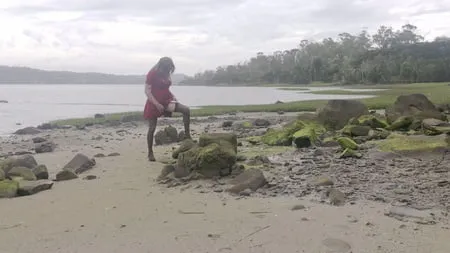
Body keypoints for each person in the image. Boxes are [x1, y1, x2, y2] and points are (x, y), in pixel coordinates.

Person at [144, 57, 191, 162]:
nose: (168, 71)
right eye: (167, 69)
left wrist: (173, 96)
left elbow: (166, 88)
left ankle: (187, 136)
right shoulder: (152, 73)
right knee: (152, 128)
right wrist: (156, 104)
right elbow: (147, 91)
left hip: (166, 100)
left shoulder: (166, 72)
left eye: (170, 69)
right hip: (154, 102)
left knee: (186, 110)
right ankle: (150, 152)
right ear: (161, 66)